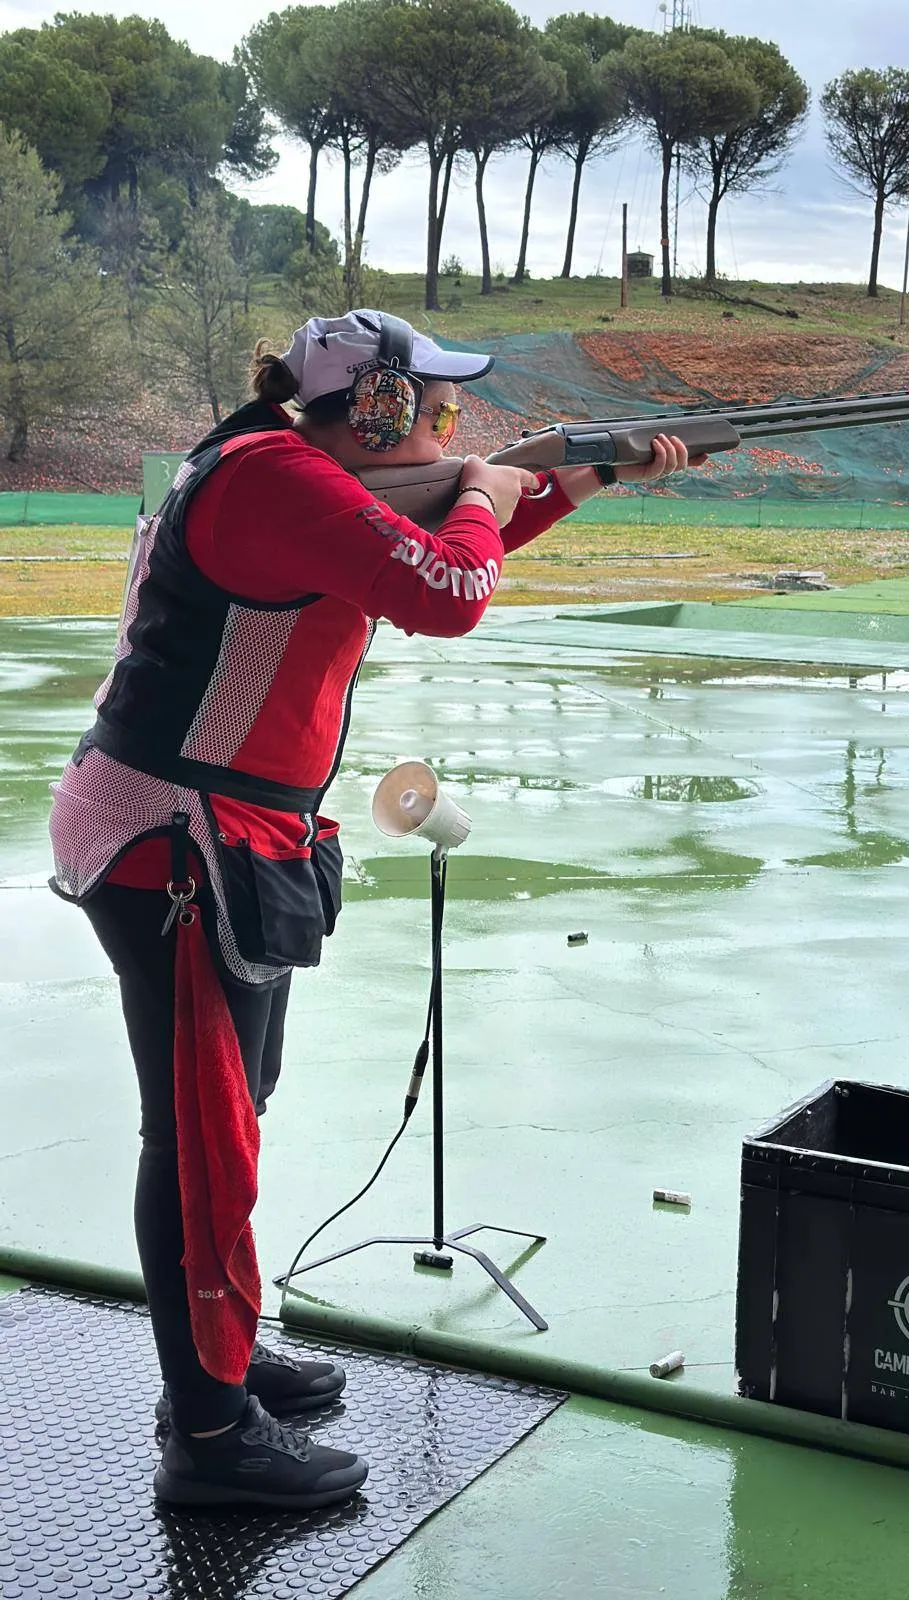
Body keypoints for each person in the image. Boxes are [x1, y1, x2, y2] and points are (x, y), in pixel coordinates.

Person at [47, 309, 703, 1512]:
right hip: (176, 836)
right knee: (203, 1143)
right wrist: (492, 487)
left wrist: (585, 475)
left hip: (222, 825)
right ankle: (206, 1430)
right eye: (433, 406)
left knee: (234, 1109)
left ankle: (217, 1354)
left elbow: (437, 542)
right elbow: (450, 588)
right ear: (379, 408)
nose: (451, 425)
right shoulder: (276, 481)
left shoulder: (281, 464)